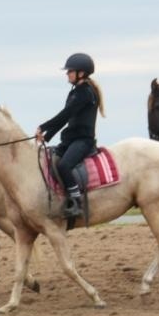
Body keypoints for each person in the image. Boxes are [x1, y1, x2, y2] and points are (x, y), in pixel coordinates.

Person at [35, 53, 105, 218]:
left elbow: (65, 114)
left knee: (64, 166)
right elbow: (66, 119)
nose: (67, 74)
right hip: (70, 140)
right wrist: (47, 136)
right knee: (49, 162)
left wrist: (43, 126)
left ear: (81, 73)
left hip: (83, 141)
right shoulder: (76, 92)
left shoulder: (85, 93)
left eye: (70, 71)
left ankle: (76, 202)